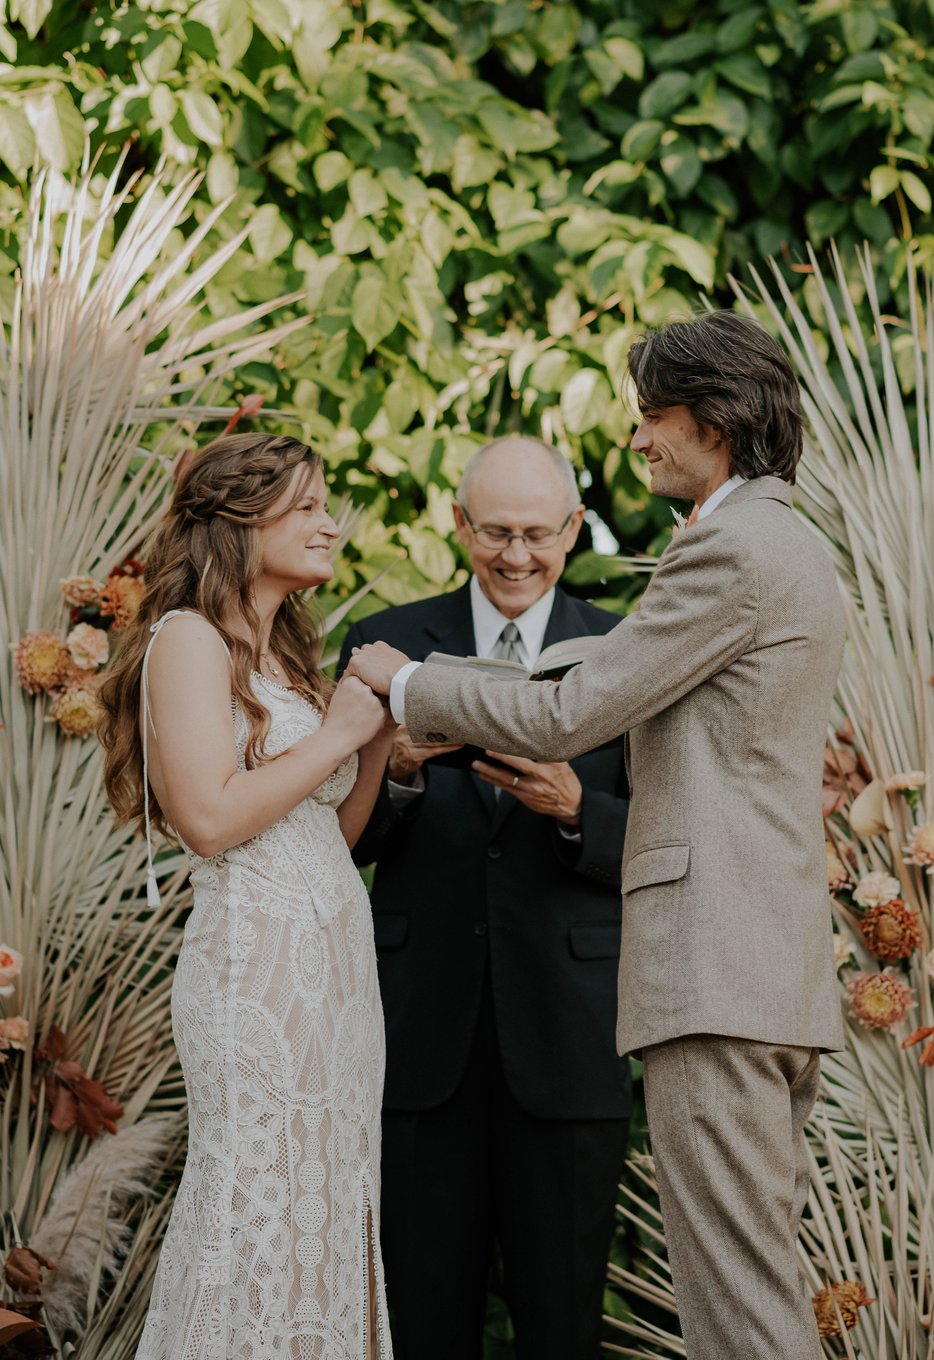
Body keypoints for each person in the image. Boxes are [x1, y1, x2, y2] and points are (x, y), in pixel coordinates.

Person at [346, 313, 846, 1360]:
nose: (639, 440)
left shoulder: (730, 548)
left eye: (650, 416)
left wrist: (404, 682)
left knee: (740, 1308)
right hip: (758, 966)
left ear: (710, 417)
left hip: (718, 968)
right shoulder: (782, 537)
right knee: (743, 1292)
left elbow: (567, 719)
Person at [101, 432, 396, 1360]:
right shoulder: (183, 639)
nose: (329, 524)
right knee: (256, 1206)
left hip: (337, 982)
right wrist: (339, 729)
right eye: (305, 506)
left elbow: (327, 841)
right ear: (237, 519)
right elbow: (209, 818)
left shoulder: (279, 654)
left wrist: (375, 739)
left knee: (332, 1202)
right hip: (256, 981)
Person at [339, 436, 632, 1360]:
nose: (515, 556)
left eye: (538, 535)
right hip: (421, 1038)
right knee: (421, 1322)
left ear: (574, 529)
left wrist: (580, 809)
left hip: (572, 1032)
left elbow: (674, 837)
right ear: (458, 525)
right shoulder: (385, 644)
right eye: (494, 532)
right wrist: (400, 777)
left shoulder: (628, 650)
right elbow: (331, 844)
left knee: (562, 1327)